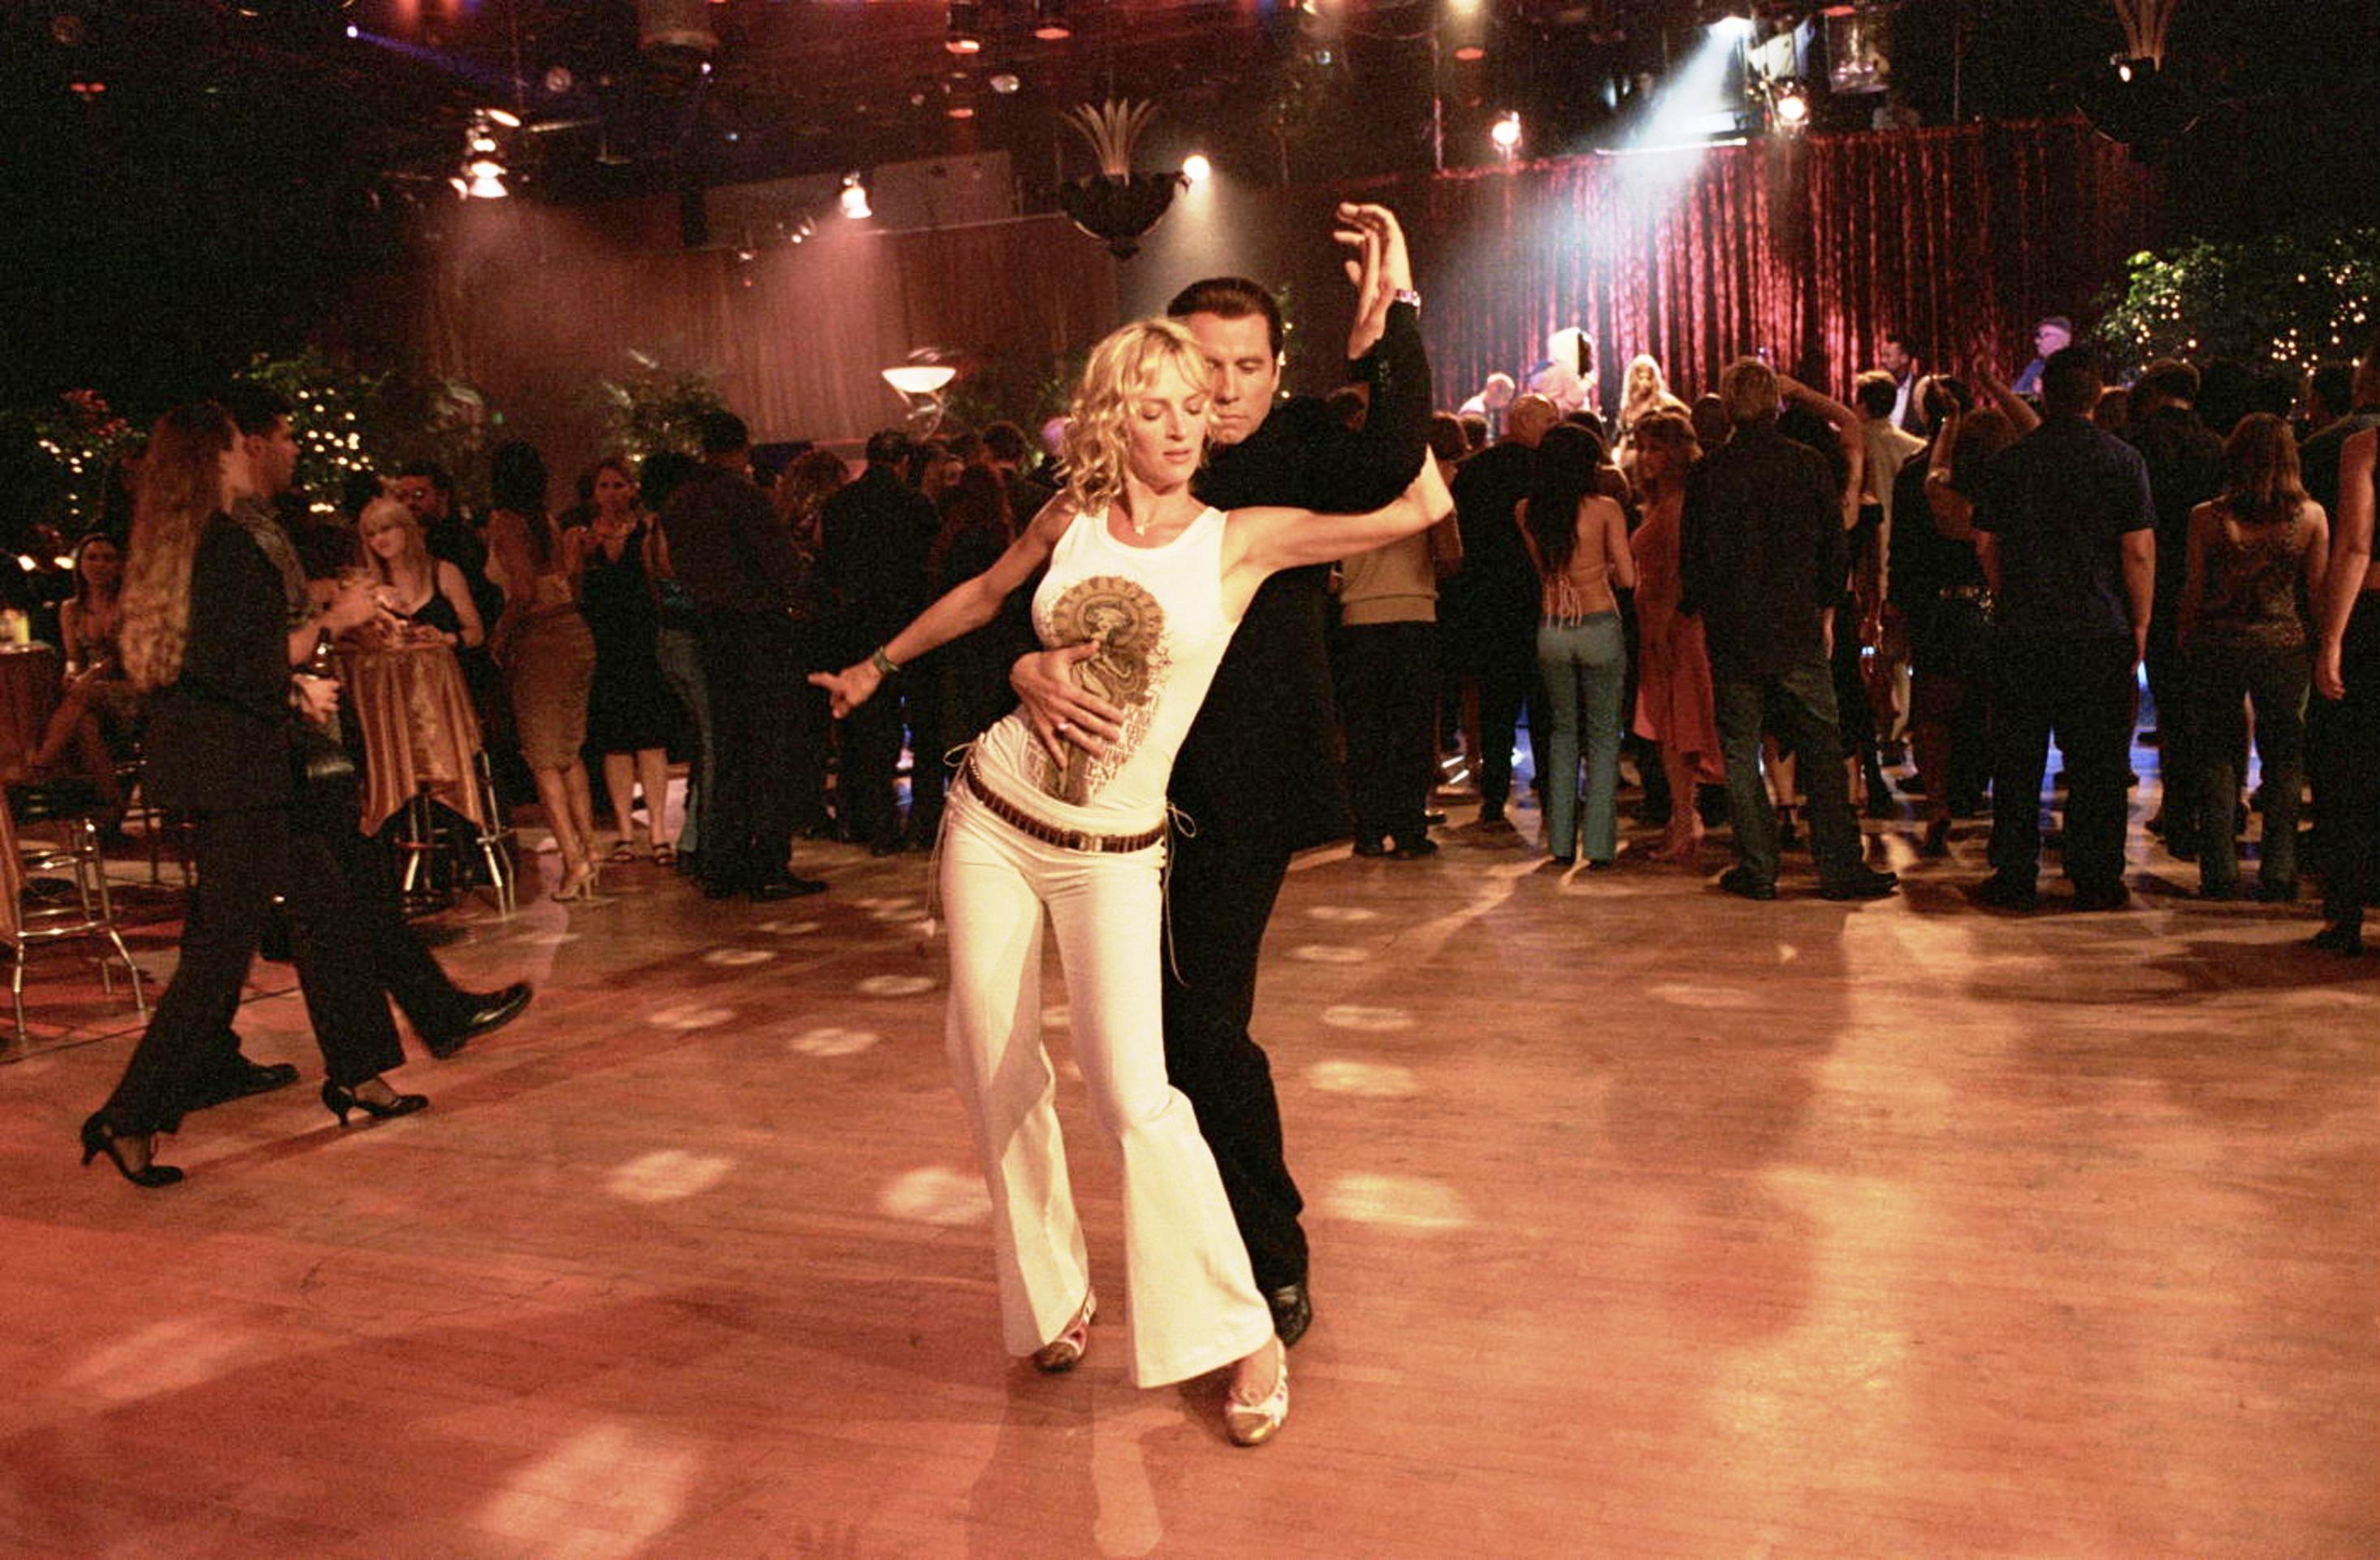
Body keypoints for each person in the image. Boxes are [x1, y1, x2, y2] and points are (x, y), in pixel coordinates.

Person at [812, 315, 1454, 1446]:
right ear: (1114, 416)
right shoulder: (1066, 517)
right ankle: (1052, 1298)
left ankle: (1241, 1328)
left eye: (1192, 406)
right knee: (990, 1065)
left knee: (1134, 1097)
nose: (1178, 427)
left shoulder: (1240, 539)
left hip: (1111, 852)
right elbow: (984, 597)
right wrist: (876, 666)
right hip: (995, 817)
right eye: (1152, 407)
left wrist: (1393, 328)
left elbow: (1415, 503)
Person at [1007, 206, 1431, 1348]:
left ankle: (1263, 1257)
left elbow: (1399, 463)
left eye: (1248, 368)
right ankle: (1183, 1253)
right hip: (1100, 801)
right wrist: (1022, 663)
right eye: (1205, 369)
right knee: (1126, 1050)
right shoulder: (1106, 479)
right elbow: (1017, 596)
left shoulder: (1292, 451)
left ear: (1276, 371)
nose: (1225, 391)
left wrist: (1386, 322)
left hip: (1234, 795)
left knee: (1198, 1028)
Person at [80, 405, 421, 1186]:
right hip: (240, 771)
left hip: (231, 762)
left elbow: (213, 663)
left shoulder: (184, 543)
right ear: (216, 457)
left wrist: (291, 682)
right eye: (236, 444)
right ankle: (128, 1115)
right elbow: (259, 658)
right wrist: (331, 622)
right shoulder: (226, 544)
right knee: (220, 953)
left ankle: (360, 1072)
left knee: (327, 908)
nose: (247, 454)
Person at [1680, 358, 1898, 902]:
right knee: (1822, 747)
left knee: (1740, 751)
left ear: (1728, 408)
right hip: (1797, 624)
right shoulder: (1807, 464)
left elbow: (1695, 558)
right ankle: (1839, 867)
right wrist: (1827, 612)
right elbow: (1833, 548)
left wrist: (1703, 613)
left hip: (1734, 629)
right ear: (1776, 405)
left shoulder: (1709, 473)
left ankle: (1758, 869)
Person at [1971, 347, 2155, 912]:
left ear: (2044, 394)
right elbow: (2137, 551)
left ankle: (2015, 873)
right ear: (2097, 395)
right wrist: (2140, 621)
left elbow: (1986, 542)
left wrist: (2009, 594)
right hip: (2099, 626)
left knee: (2018, 758)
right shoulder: (2122, 460)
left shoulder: (2010, 462)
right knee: (2098, 762)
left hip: (2025, 626)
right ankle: (2096, 875)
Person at [660, 413, 826, 900]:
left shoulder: (682, 500)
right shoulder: (742, 496)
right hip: (759, 632)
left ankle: (724, 863)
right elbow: (781, 565)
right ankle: (768, 865)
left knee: (729, 749)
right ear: (743, 447)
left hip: (711, 631)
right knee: (769, 748)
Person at [2177, 414, 2330, 901]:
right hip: (2284, 646)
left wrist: (2184, 635)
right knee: (2284, 758)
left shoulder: (2206, 518)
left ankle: (2218, 870)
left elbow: (2195, 588)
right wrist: (2327, 646)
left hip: (2218, 643)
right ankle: (2280, 869)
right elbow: (2317, 594)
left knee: (2217, 756)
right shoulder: (2311, 518)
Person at [485, 440, 599, 901]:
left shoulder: (505, 523)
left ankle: (573, 861)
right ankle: (589, 850)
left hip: (540, 640)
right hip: (574, 633)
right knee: (569, 752)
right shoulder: (546, 521)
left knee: (542, 759)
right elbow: (564, 579)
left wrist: (500, 633)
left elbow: (524, 590)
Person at [1517, 424, 1635, 867]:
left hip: (1552, 626)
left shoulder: (1527, 511)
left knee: (1562, 733)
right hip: (1599, 623)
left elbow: (1543, 572)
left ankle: (1561, 844)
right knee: (1603, 736)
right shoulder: (1605, 509)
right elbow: (1628, 578)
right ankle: (1600, 846)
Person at [819, 431, 941, 854]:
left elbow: (830, 567)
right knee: (923, 726)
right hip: (908, 625)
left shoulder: (839, 505)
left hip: (856, 625)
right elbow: (926, 566)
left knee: (869, 731)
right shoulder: (917, 504)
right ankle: (923, 823)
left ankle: (876, 825)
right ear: (904, 461)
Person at [2124, 359, 2227, 859]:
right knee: (2207, 706)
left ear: (2152, 393)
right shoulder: (2216, 446)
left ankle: (2179, 810)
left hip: (2155, 583)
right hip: (2210, 586)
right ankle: (2213, 809)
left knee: (2171, 704)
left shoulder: (2137, 444)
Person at [1447, 392, 1559, 827]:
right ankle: (1551, 790)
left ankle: (1493, 796)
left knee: (1496, 705)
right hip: (1538, 598)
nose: (1554, 430)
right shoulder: (1546, 471)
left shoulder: (1473, 472)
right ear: (1526, 422)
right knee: (1544, 703)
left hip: (1488, 600)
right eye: (1549, 421)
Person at [573, 457, 682, 864]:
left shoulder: (647, 531)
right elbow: (572, 589)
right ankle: (623, 832)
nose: (612, 493)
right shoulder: (580, 535)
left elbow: (665, 577)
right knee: (614, 743)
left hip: (643, 641)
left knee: (651, 741)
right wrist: (584, 555)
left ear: (632, 489)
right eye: (604, 486)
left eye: (619, 485)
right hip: (603, 645)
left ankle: (657, 831)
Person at [1627, 411, 1723, 863]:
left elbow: (1678, 576)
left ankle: (1685, 822)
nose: (1646, 457)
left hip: (1676, 629)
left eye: (1656, 448)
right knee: (1671, 729)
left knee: (1680, 729)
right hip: (1660, 625)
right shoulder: (1663, 501)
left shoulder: (1680, 504)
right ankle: (1682, 818)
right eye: (1642, 447)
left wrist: (1661, 630)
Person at [2312, 427, 2378, 951]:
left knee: (2354, 769)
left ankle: (2347, 912)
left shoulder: (2367, 446)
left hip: (2374, 618)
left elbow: (2355, 545)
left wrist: (2331, 639)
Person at [358, 497, 484, 652]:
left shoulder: (443, 572)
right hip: (394, 666)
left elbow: (477, 634)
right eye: (371, 535)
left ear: (407, 529)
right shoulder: (370, 583)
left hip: (446, 663)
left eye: (385, 529)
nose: (379, 539)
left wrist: (444, 638)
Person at [2010, 315, 2074, 400]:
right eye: (2038, 336)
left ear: (2064, 339)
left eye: (2044, 336)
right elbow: (2015, 397)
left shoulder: (2075, 369)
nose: (2037, 341)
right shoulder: (2035, 366)